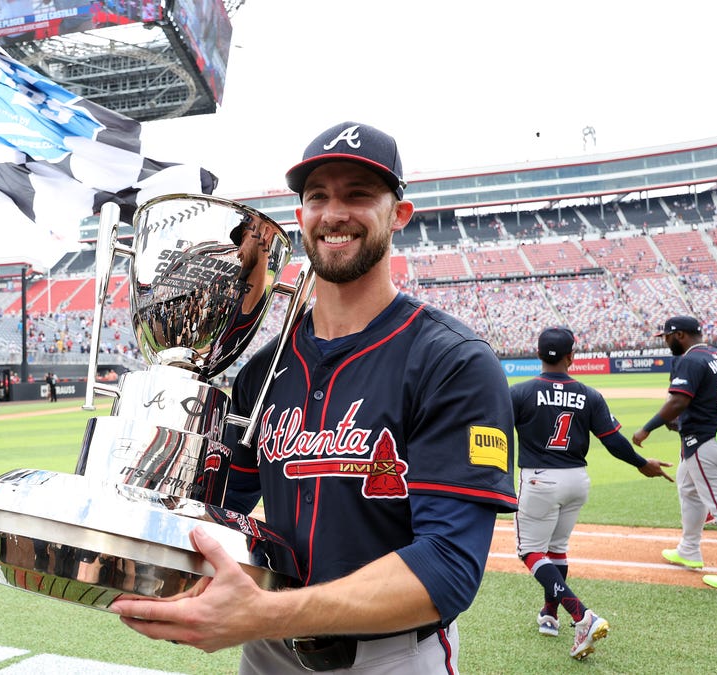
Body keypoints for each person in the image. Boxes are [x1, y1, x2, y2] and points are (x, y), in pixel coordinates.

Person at [111, 122, 518, 673]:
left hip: (389, 657)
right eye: (317, 196)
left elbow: (447, 568)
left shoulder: (454, 362)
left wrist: (265, 614)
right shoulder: (264, 369)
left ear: (399, 214)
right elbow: (212, 507)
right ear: (300, 215)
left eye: (358, 194)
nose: (334, 213)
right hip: (267, 654)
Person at [511, 327, 673, 660]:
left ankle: (580, 615)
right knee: (556, 550)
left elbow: (493, 430)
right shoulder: (589, 394)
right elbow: (613, 441)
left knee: (530, 552)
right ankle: (549, 614)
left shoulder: (520, 392)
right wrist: (642, 463)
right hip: (577, 479)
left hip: (540, 479)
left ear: (538, 353)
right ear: (572, 357)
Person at [632, 316, 717, 595]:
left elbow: (678, 401)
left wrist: (646, 429)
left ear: (679, 335)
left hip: (706, 440)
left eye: (666, 337)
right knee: (688, 487)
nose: (665, 342)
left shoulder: (691, 360)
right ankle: (689, 549)